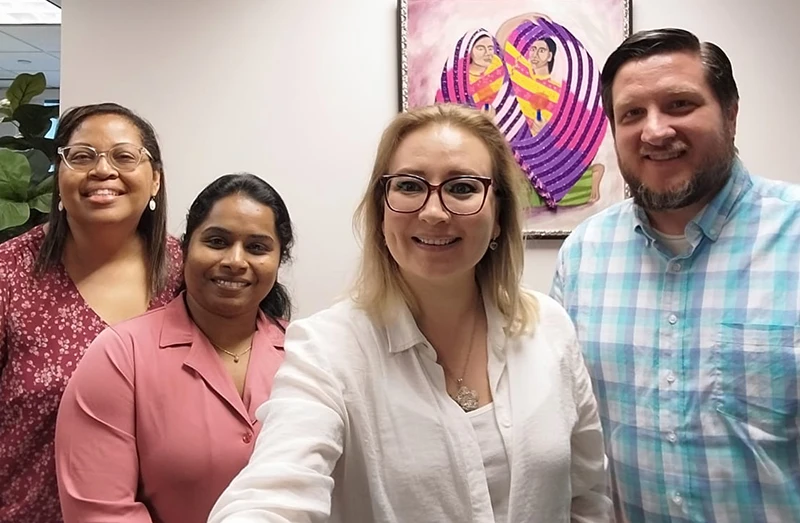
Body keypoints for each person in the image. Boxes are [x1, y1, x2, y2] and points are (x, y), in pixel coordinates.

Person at [208, 104, 611, 523]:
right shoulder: (327, 350)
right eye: (409, 186)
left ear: (498, 218)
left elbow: (586, 498)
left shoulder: (549, 327)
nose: (433, 212)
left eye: (462, 188)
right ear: (381, 211)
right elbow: (274, 489)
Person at [551, 28, 800, 522]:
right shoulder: (583, 254)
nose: (655, 131)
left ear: (730, 113)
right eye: (632, 114)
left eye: (680, 104)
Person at [54, 174, 294, 523]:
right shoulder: (121, 356)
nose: (235, 260)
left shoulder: (304, 353)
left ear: (279, 259)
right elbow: (101, 513)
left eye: (257, 247)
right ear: (184, 248)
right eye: (216, 241)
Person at [0, 103, 183, 523]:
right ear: (59, 178)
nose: (102, 170)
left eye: (124, 156)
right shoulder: (9, 274)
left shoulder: (188, 275)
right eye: (81, 156)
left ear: (155, 180)